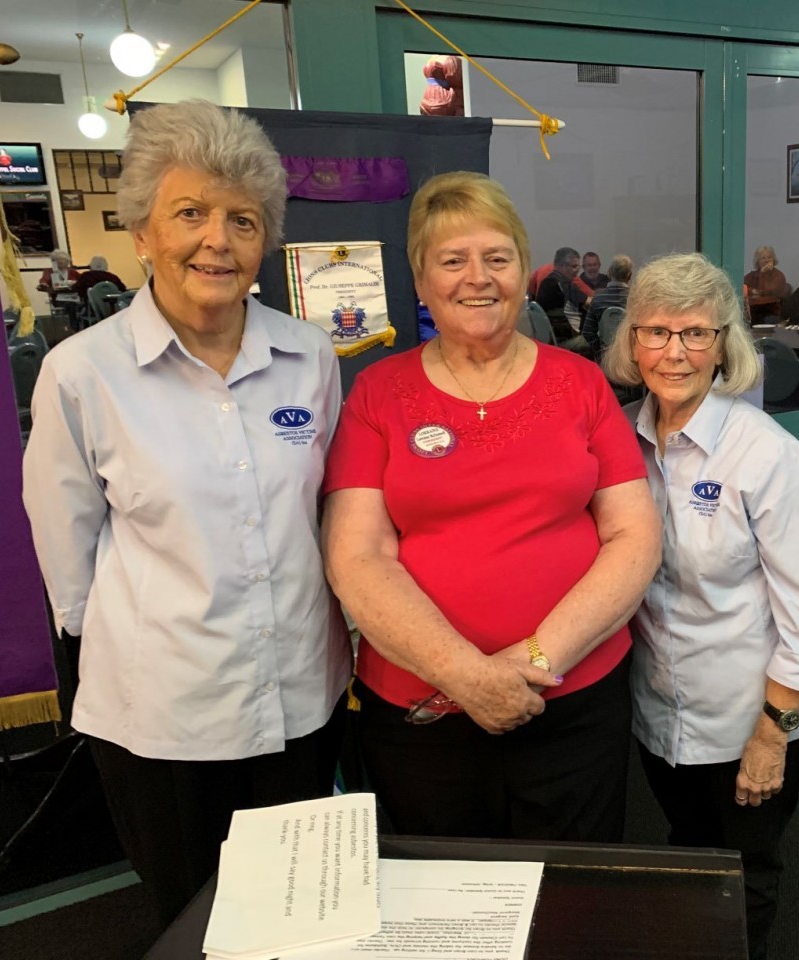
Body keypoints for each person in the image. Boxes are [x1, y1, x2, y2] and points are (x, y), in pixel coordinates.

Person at [21, 99, 352, 933]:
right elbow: (70, 555)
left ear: (266, 240)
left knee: (298, 914)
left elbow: (326, 515)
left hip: (301, 700)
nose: (218, 240)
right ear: (140, 232)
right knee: (194, 924)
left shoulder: (309, 355)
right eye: (190, 213)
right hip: (162, 715)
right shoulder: (80, 374)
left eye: (243, 220)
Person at [320, 171, 661, 843]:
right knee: (447, 906)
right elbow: (356, 556)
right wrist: (466, 677)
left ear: (521, 272)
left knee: (573, 895)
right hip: (422, 712)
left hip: (574, 705)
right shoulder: (377, 395)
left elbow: (634, 536)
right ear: (420, 281)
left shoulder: (580, 383)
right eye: (453, 261)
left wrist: (531, 664)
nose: (478, 277)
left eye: (497, 258)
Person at [602, 252, 799, 960]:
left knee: (745, 873)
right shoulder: (615, 439)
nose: (674, 351)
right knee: (685, 855)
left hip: (750, 719)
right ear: (631, 342)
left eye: (695, 333)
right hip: (659, 711)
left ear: (723, 345)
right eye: (655, 331)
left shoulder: (764, 454)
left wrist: (772, 735)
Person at [583, 253, 632, 359]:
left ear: (609, 273)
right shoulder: (636, 299)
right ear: (629, 275)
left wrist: (600, 351)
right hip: (629, 356)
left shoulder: (598, 299)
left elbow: (587, 332)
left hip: (605, 356)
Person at [534, 246, 582, 342]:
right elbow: (589, 301)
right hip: (567, 339)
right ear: (561, 266)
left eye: (578, 267)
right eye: (574, 266)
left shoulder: (547, 282)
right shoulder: (562, 285)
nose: (577, 270)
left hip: (551, 340)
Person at [743, 245, 790, 323]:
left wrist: (763, 273)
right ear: (757, 261)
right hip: (753, 310)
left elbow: (766, 290)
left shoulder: (778, 275)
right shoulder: (752, 275)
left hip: (771, 312)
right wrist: (753, 291)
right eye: (763, 258)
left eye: (769, 257)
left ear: (773, 260)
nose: (766, 260)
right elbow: (742, 286)